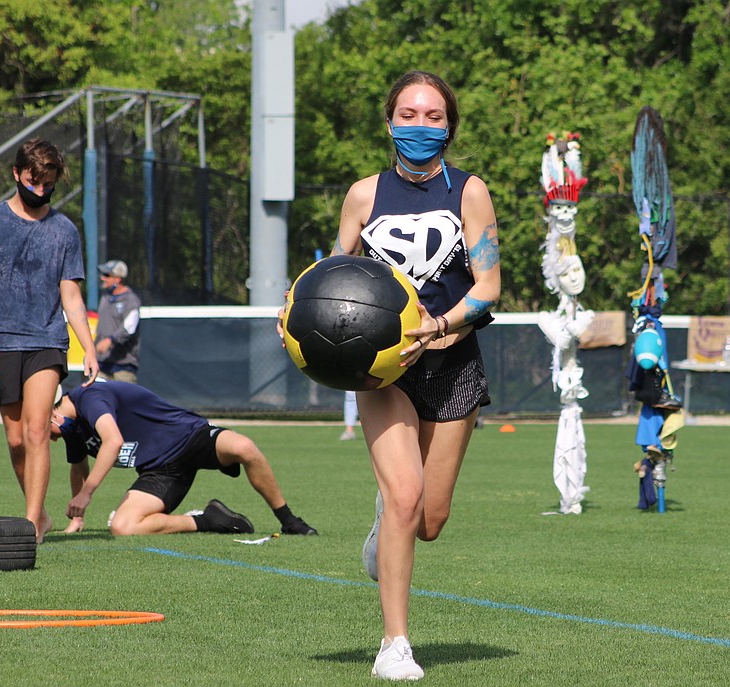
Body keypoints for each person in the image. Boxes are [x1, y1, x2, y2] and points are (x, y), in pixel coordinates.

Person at [285, 71, 500, 680]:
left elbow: (489, 286)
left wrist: (441, 326)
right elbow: (334, 278)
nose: (421, 126)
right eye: (409, 114)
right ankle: (395, 645)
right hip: (383, 371)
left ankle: (389, 522)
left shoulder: (470, 192)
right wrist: (296, 307)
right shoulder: (363, 195)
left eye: (434, 117)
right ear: (389, 122)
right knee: (406, 497)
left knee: (428, 520)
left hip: (454, 363)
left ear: (449, 126)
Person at [0, 138, 98, 543]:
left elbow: (71, 297)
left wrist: (87, 348)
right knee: (17, 439)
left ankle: (29, 523)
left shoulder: (65, 230)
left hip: (46, 342)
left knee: (39, 431)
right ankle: (40, 516)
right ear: (17, 175)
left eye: (48, 184)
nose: (40, 191)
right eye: (33, 182)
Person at [52, 379, 318, 537]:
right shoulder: (71, 428)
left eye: (44, 432)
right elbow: (78, 466)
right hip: (160, 468)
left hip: (189, 436)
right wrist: (77, 517)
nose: (50, 440)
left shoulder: (89, 397)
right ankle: (210, 520)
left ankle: (289, 521)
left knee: (244, 447)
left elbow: (113, 441)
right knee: (123, 527)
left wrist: (86, 494)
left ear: (52, 413)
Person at [95, 259, 141, 383]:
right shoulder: (105, 297)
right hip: (101, 364)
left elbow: (129, 328)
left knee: (125, 402)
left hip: (123, 366)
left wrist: (110, 340)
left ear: (118, 279)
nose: (102, 278)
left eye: (107, 275)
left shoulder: (131, 300)